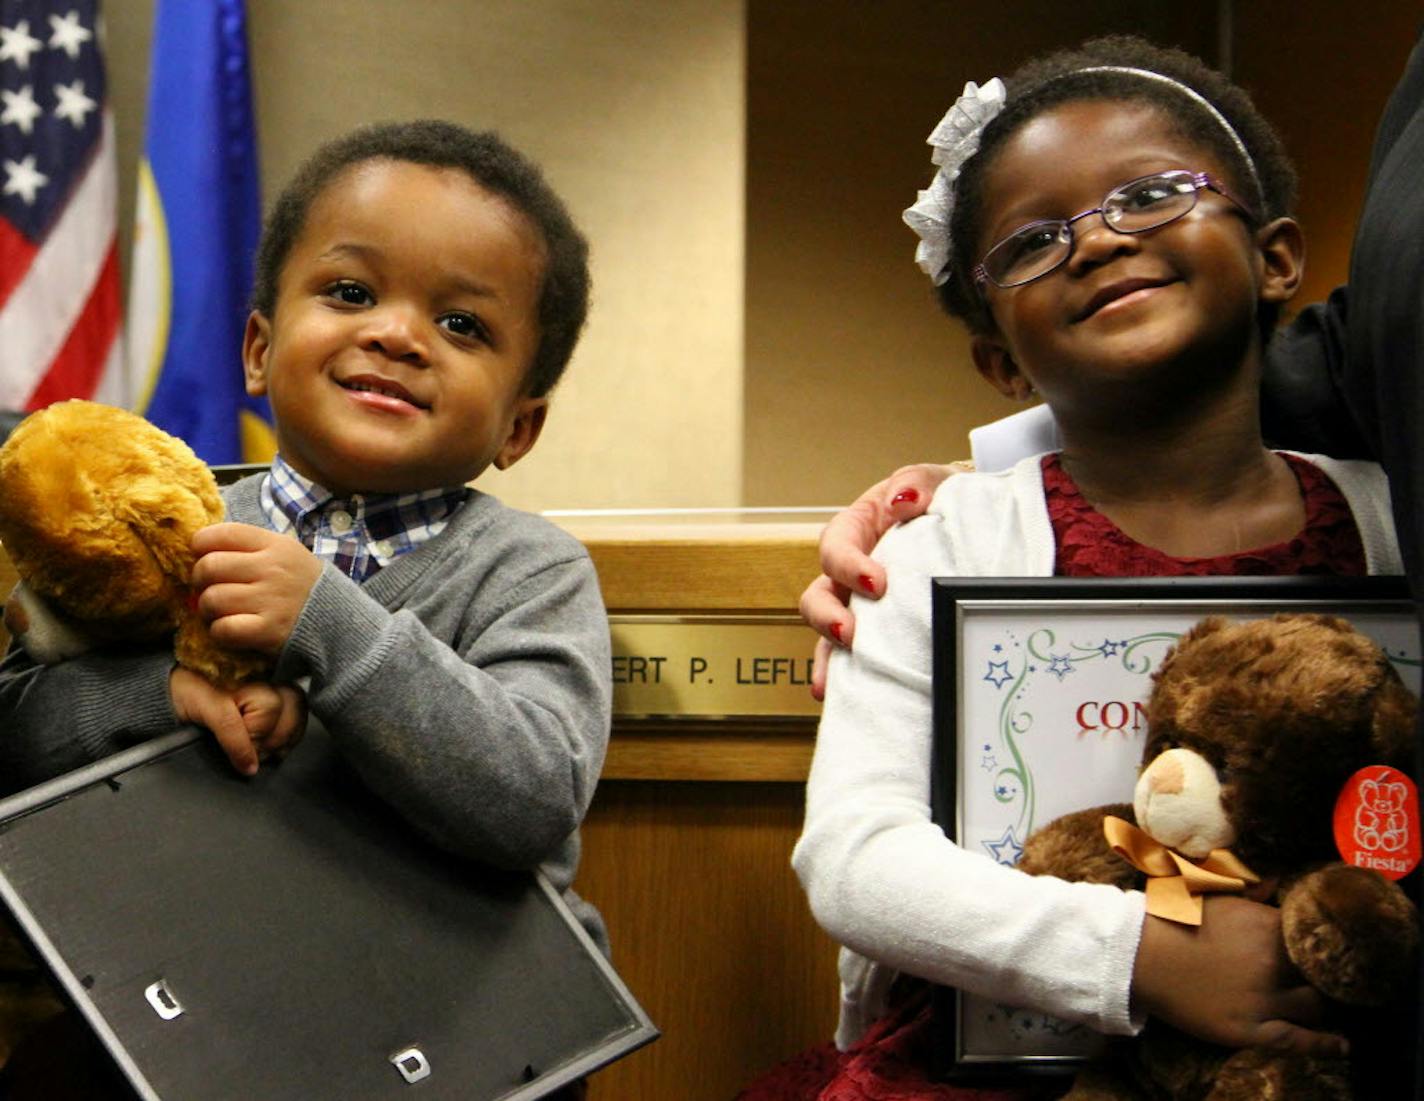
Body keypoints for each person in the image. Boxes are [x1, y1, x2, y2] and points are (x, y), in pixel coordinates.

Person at [753, 35, 1404, 1101]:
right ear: (999, 360)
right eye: (1030, 243)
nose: (1097, 240)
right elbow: (854, 858)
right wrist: (1139, 955)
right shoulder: (948, 549)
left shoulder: (1385, 521)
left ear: (1277, 258)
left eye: (1148, 194)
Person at [0, 119, 611, 946]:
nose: (397, 335)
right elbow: (13, 733)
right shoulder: (157, 527)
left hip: (457, 1025)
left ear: (518, 427)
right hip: (184, 1001)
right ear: (258, 349)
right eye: (352, 293)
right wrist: (161, 698)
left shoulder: (531, 572)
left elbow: (535, 800)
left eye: (463, 324)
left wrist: (329, 623)